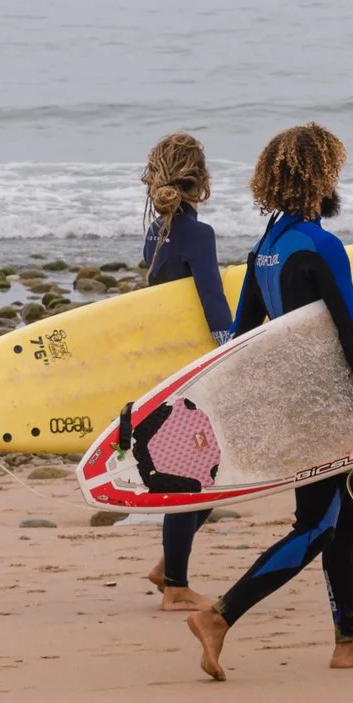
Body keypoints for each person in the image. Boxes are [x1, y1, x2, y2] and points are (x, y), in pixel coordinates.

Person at [186, 122, 353, 681]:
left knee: (345, 511)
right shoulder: (320, 246)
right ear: (319, 176)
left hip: (295, 403)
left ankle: (349, 639)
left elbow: (242, 336)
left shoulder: (268, 248)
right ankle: (220, 616)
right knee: (319, 524)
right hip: (327, 408)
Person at [136, 132, 232, 613]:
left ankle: (168, 566)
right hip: (195, 369)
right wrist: (236, 354)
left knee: (201, 468)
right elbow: (214, 307)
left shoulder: (156, 231)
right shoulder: (199, 234)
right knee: (197, 472)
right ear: (203, 182)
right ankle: (175, 583)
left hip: (166, 364)